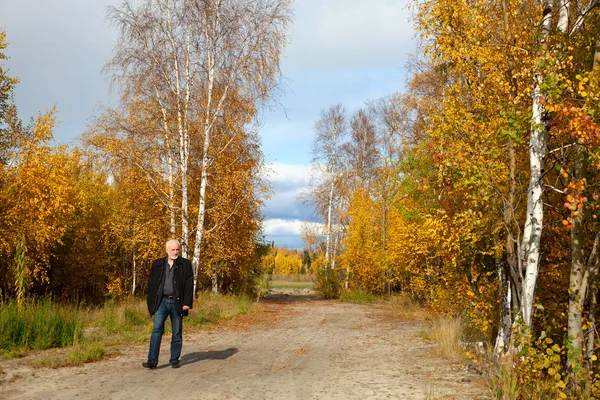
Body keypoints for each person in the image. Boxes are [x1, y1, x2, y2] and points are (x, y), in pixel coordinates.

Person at [142, 239, 193, 369]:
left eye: (177, 250)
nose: (175, 252)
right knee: (156, 330)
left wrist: (187, 302)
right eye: (173, 250)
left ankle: (174, 359)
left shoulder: (185, 264)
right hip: (161, 302)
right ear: (167, 250)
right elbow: (152, 283)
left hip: (177, 302)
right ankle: (152, 361)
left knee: (176, 331)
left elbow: (189, 284)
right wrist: (151, 302)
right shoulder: (158, 264)